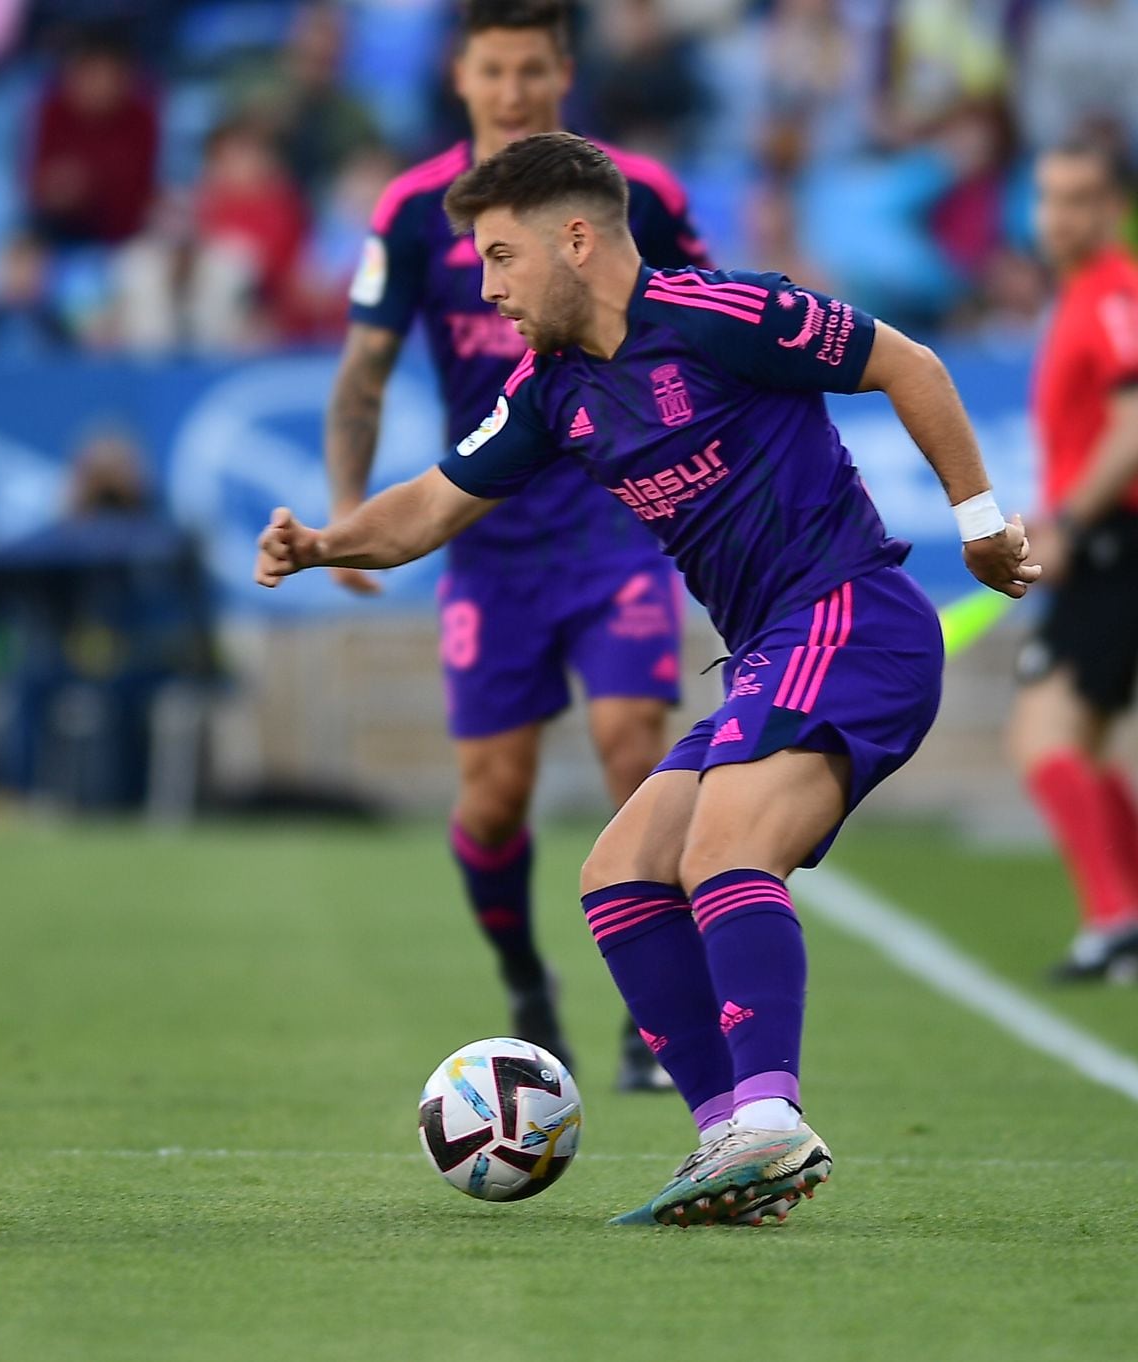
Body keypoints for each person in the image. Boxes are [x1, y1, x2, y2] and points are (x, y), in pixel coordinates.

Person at [257, 132, 1035, 1226]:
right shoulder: (548, 390)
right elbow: (428, 507)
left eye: (498, 258)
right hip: (772, 646)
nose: (485, 291)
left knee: (723, 843)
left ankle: (771, 1116)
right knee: (619, 874)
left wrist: (981, 527)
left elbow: (909, 363)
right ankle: (731, 1140)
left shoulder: (722, 316)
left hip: (851, 617)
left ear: (574, 239)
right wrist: (323, 544)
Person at [326, 0, 707, 1090]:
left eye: (529, 71)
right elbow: (361, 375)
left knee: (637, 743)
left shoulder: (641, 195)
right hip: (487, 538)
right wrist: (349, 516)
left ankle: (652, 1010)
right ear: (459, 75)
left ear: (562, 73)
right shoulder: (410, 212)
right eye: (491, 71)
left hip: (615, 516)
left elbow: (702, 317)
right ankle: (526, 984)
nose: (510, 93)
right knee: (493, 796)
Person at [1008, 140, 1138, 981]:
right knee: (1075, 739)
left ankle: (1114, 918)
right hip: (1103, 545)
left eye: (1080, 197)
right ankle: (1124, 918)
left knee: (1043, 733)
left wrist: (1064, 524)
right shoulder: (1083, 295)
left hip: (1114, 544)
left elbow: (1134, 427)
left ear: (1114, 203)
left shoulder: (1113, 293)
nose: (1061, 216)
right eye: (1049, 196)